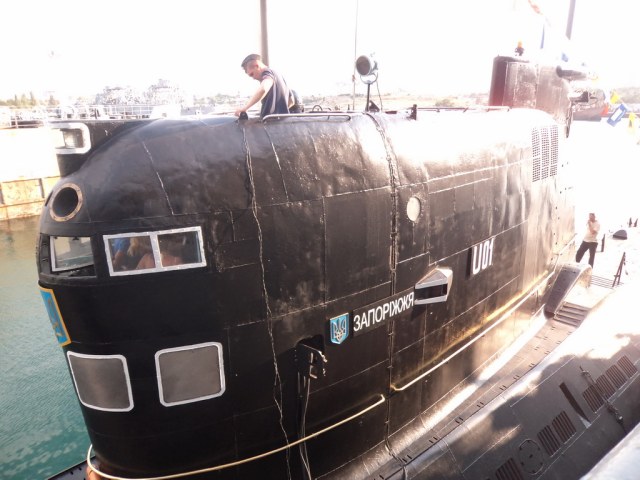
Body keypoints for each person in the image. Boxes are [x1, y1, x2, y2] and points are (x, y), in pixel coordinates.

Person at [235, 54, 291, 118]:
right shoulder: (279, 75)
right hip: (282, 120)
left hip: (271, 120)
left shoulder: (268, 73)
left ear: (257, 65)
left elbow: (264, 89)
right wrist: (281, 111)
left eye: (252, 74)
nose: (253, 78)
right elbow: (291, 100)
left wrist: (245, 108)